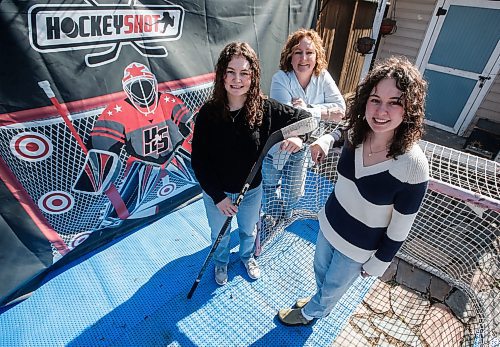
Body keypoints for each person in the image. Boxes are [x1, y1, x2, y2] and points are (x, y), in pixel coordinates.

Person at [278, 56, 429, 325]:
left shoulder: (412, 165)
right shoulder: (359, 132)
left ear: (410, 109)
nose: (381, 111)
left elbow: (400, 227)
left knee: (335, 286)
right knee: (320, 271)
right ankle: (318, 299)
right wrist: (325, 139)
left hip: (358, 248)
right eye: (375, 100)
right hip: (329, 224)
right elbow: (341, 133)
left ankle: (312, 312)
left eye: (394, 102)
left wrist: (379, 262)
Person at [190, 42, 312, 286]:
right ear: (222, 75)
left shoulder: (265, 109)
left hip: (251, 191)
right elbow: (199, 161)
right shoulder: (208, 113)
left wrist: (298, 136)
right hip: (217, 194)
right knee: (220, 235)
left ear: (253, 76)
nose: (237, 80)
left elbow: (307, 120)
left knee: (248, 231)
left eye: (244, 73)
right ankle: (221, 262)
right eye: (231, 72)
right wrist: (218, 197)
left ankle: (247, 257)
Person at [73, 62, 194, 224]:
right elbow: (103, 147)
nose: (142, 91)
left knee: (205, 176)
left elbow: (190, 127)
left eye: (145, 84)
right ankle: (112, 217)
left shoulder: (167, 100)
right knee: (117, 213)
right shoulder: (117, 111)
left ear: (153, 82)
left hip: (174, 156)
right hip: (144, 163)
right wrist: (96, 175)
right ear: (127, 89)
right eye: (136, 86)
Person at [263, 28, 346, 221]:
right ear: (289, 56)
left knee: (293, 193)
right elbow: (287, 119)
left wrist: (309, 109)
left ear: (317, 56)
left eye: (309, 52)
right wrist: (323, 113)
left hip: (303, 147)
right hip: (276, 145)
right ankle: (273, 216)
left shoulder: (323, 77)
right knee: (269, 184)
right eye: (298, 52)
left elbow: (340, 111)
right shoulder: (280, 79)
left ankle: (284, 219)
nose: (303, 58)